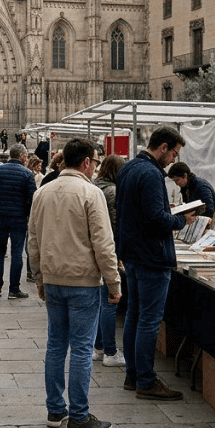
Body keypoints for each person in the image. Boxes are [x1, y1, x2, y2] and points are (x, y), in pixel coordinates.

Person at [30, 138, 122, 428]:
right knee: (81, 349)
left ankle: (55, 410)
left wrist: (39, 277)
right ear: (85, 162)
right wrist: (113, 283)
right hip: (83, 281)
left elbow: (32, 241)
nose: (95, 167)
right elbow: (103, 244)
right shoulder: (90, 193)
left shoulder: (42, 192)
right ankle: (79, 416)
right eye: (95, 162)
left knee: (56, 344)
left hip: (54, 278)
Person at [115, 126, 196, 401]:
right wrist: (180, 220)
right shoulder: (150, 174)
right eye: (173, 153)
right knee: (148, 320)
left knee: (135, 316)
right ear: (163, 148)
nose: (173, 159)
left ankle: (132, 375)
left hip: (134, 254)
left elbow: (130, 212)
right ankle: (146, 381)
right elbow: (155, 219)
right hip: (151, 256)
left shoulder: (129, 168)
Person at [0, 145, 36, 299]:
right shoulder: (27, 173)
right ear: (21, 156)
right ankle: (14, 289)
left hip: (0, 217)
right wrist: (26, 213)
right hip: (18, 218)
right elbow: (32, 197)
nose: (26, 158)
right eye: (25, 156)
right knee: (17, 253)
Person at [92, 154, 126, 367]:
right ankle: (111, 352)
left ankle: (99, 347)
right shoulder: (112, 191)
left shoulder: (95, 186)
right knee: (110, 301)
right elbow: (113, 226)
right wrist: (117, 255)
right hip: (107, 250)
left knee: (102, 301)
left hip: (93, 250)